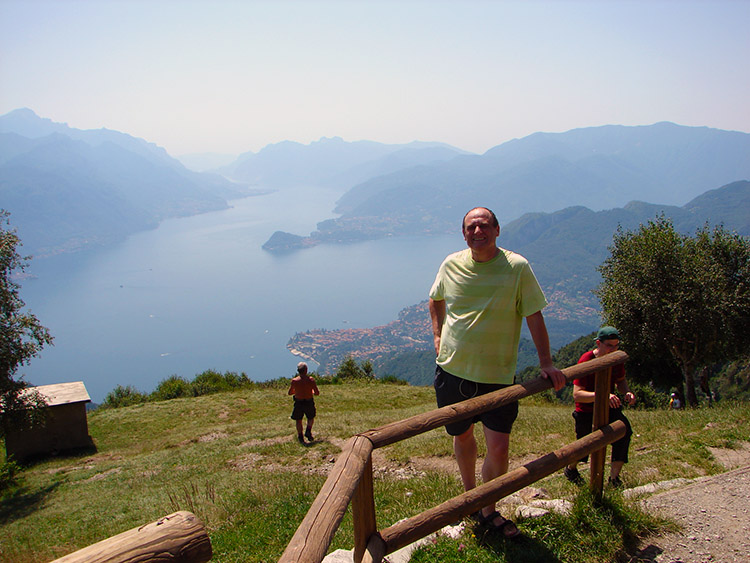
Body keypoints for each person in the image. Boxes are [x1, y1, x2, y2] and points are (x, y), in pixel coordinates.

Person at [429, 206, 566, 539]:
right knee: (461, 436)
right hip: (453, 370)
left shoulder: (517, 267)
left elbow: (534, 315)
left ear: (497, 230)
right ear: (464, 233)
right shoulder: (451, 263)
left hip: (498, 375)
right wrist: (437, 334)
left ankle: (489, 510)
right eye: (471, 227)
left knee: (499, 447)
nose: (478, 231)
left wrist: (546, 362)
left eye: (484, 225)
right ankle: (471, 498)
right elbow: (435, 299)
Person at [564, 326, 635, 487]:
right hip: (587, 410)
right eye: (609, 345)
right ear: (598, 343)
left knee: (624, 432)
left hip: (609, 406)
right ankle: (571, 468)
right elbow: (577, 394)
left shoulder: (616, 359)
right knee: (584, 445)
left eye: (616, 345)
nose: (613, 349)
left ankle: (614, 479)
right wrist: (602, 395)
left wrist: (627, 392)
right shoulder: (586, 360)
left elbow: (621, 380)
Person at [288, 362, 320, 444]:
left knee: (298, 420)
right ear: (306, 370)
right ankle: (308, 430)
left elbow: (290, 392)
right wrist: (310, 391)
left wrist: (297, 391)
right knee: (310, 417)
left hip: (298, 401)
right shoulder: (311, 380)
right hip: (309, 401)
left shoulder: (294, 381)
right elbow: (317, 393)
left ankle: (300, 437)